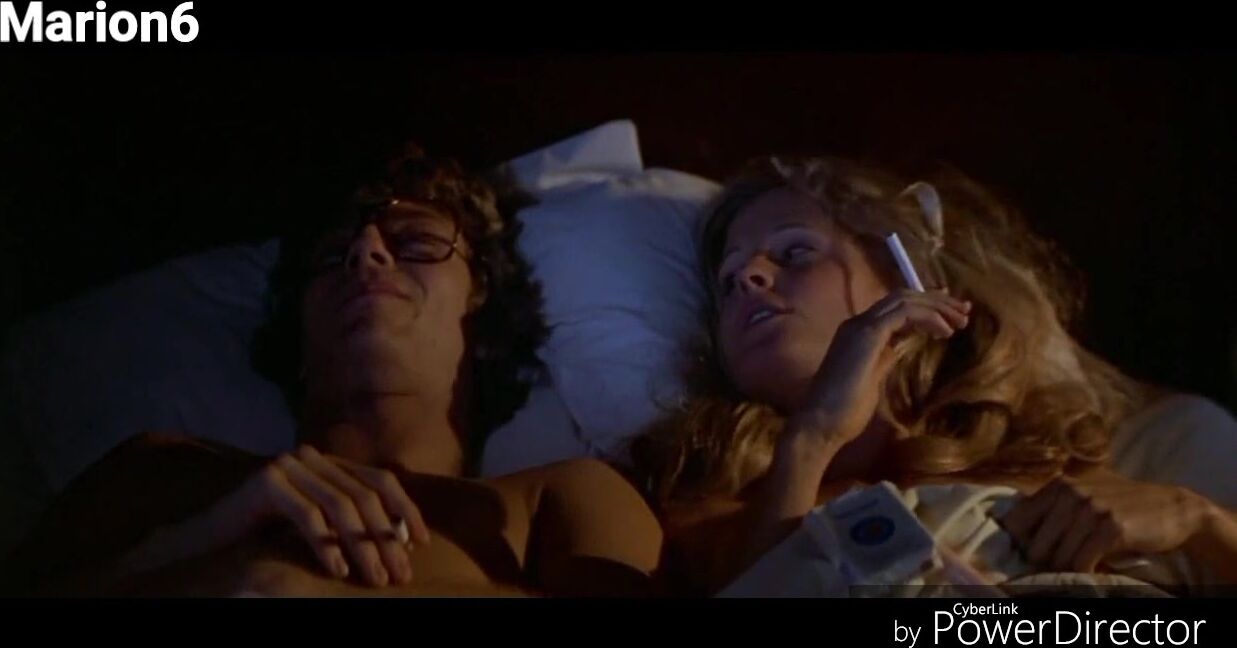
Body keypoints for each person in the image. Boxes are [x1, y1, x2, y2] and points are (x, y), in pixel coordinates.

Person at [1, 145, 663, 597]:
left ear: (481, 306)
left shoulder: (553, 500)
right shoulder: (158, 472)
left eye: (415, 243)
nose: (367, 255)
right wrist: (197, 543)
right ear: (295, 329)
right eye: (332, 254)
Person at [630, 155, 1237, 595]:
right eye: (728, 280)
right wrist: (812, 438)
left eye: (794, 253)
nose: (748, 278)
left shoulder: (1075, 454)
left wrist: (1200, 521)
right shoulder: (708, 500)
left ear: (906, 277)